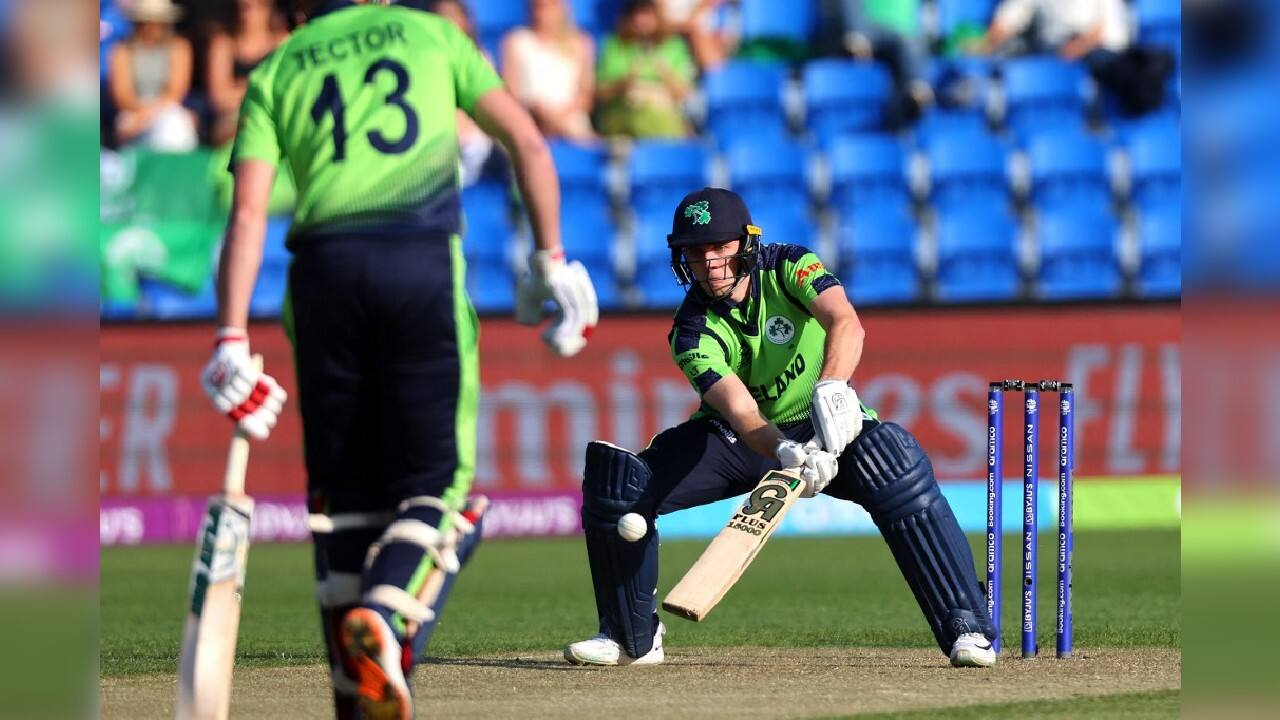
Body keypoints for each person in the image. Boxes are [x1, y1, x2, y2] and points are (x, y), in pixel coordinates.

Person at [199, 1, 599, 717]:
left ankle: (355, 696)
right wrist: (552, 259)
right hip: (417, 260)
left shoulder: (278, 66)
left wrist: (231, 336)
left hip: (321, 277)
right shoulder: (430, 33)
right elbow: (528, 143)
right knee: (441, 490)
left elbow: (249, 212)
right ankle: (384, 615)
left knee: (343, 502)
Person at [562, 187, 997, 670]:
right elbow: (743, 414)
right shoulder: (690, 331)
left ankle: (967, 625)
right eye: (696, 252)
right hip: (743, 439)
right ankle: (630, 637)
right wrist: (787, 451)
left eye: (721, 247)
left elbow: (845, 321)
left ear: (747, 243)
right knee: (621, 487)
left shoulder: (789, 265)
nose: (710, 263)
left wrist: (832, 387)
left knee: (892, 461)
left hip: (828, 418)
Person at [106, 0, 198, 150]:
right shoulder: (122, 50)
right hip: (133, 113)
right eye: (147, 21)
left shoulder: (179, 47)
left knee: (173, 123)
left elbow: (176, 92)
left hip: (166, 109)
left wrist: (149, 115)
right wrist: (144, 114)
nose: (152, 27)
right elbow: (122, 96)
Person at [596, 0, 695, 139]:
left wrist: (665, 75)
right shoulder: (614, 45)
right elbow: (600, 92)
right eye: (636, 13)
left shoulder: (674, 46)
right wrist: (624, 84)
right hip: (623, 114)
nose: (641, 20)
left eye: (647, 14)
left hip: (664, 113)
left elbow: (684, 92)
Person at [500, 0, 596, 141]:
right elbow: (511, 92)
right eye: (538, 6)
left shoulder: (581, 43)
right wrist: (538, 112)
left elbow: (586, 94)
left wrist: (560, 117)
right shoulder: (515, 41)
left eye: (550, 5)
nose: (543, 12)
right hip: (530, 121)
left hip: (571, 123)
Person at [205, 0, 291, 146]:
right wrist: (261, 86)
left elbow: (286, 90)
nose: (245, 14)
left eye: (251, 7)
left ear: (268, 9)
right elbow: (219, 98)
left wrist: (241, 87)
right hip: (233, 119)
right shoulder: (223, 44)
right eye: (241, 7)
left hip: (274, 115)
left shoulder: (283, 42)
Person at [983, 0, 1129, 60]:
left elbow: (1113, 31)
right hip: (1055, 51)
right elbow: (1007, 20)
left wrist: (1081, 45)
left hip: (1099, 52)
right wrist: (987, 42)